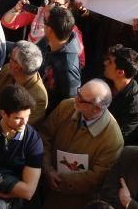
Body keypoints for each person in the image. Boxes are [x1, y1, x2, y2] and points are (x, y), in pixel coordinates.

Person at [39, 79, 123, 208]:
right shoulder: (66, 107)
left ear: (96, 108)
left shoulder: (112, 139)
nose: (75, 99)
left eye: (81, 99)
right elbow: (45, 135)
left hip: (75, 200)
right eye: (78, 93)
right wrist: (47, 169)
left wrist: (59, 180)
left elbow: (97, 177)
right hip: (44, 186)